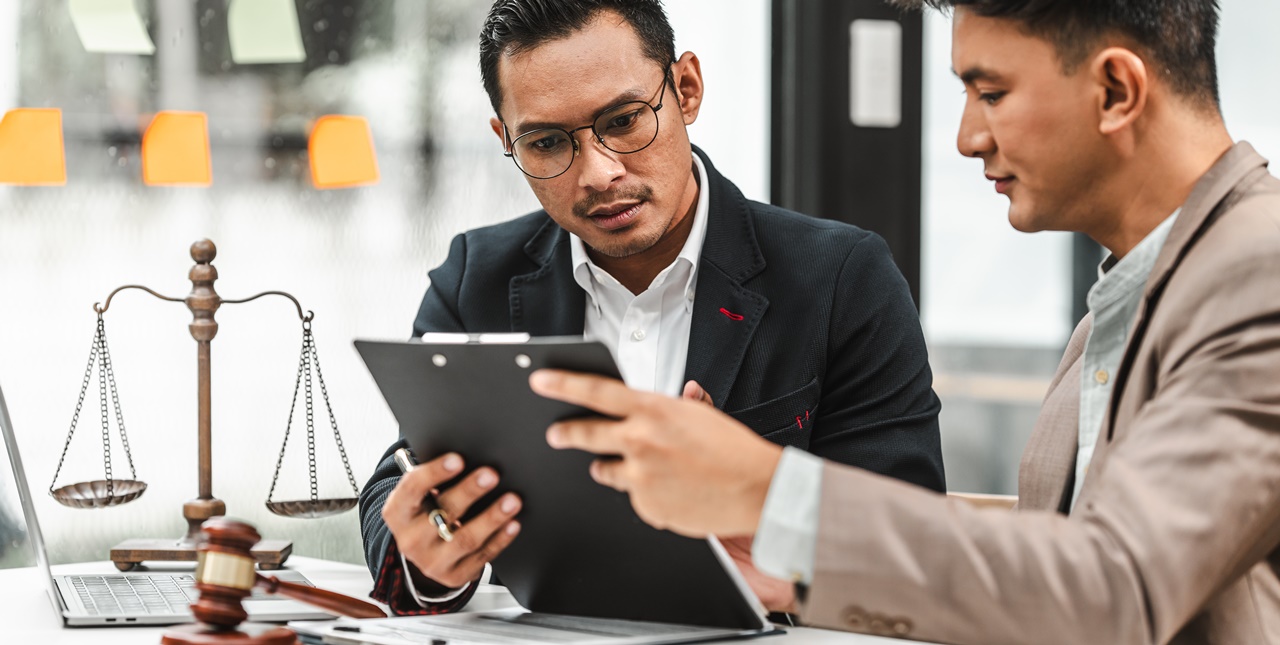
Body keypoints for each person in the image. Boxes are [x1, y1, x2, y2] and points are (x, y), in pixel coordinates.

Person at [531, 0, 1280, 643]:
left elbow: (1114, 586)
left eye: (991, 92)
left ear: (1116, 90)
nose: (967, 137)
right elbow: (1051, 589)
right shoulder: (1128, 300)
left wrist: (770, 489)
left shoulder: (1260, 272)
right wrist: (798, 571)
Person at [358, 0, 946, 616]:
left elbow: (911, 547)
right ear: (507, 141)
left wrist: (762, 507)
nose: (598, 174)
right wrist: (429, 558)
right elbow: (400, 481)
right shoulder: (476, 279)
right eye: (547, 142)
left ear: (686, 89)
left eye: (623, 121)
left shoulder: (840, 279)